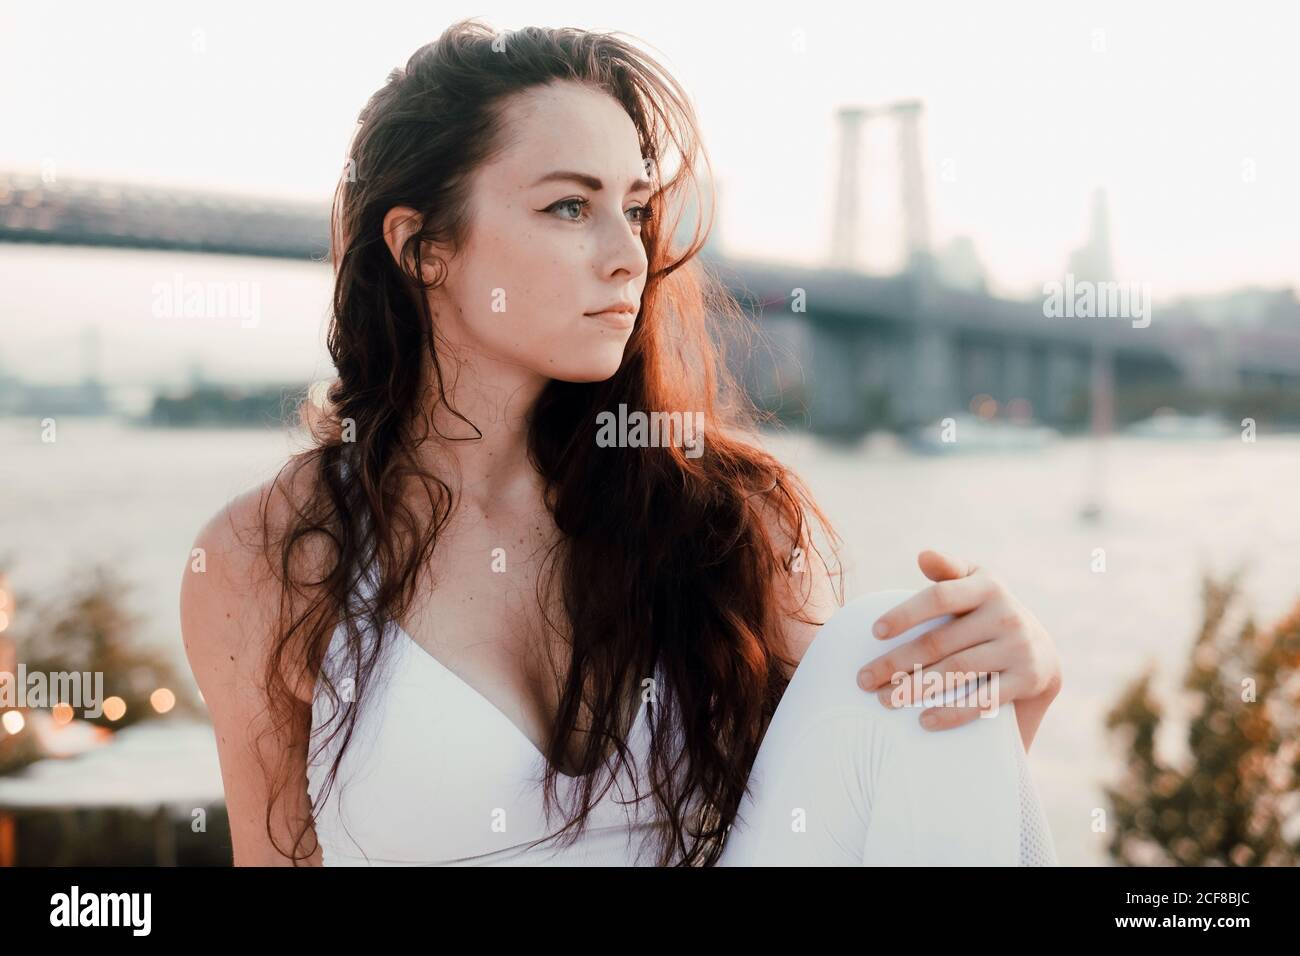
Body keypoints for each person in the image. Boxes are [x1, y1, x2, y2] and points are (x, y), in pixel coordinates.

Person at [180, 18, 1062, 866]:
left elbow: (877, 800)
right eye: (570, 206)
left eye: (635, 209)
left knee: (892, 642)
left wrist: (1018, 686)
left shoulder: (720, 519)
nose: (631, 256)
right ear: (422, 248)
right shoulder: (269, 556)